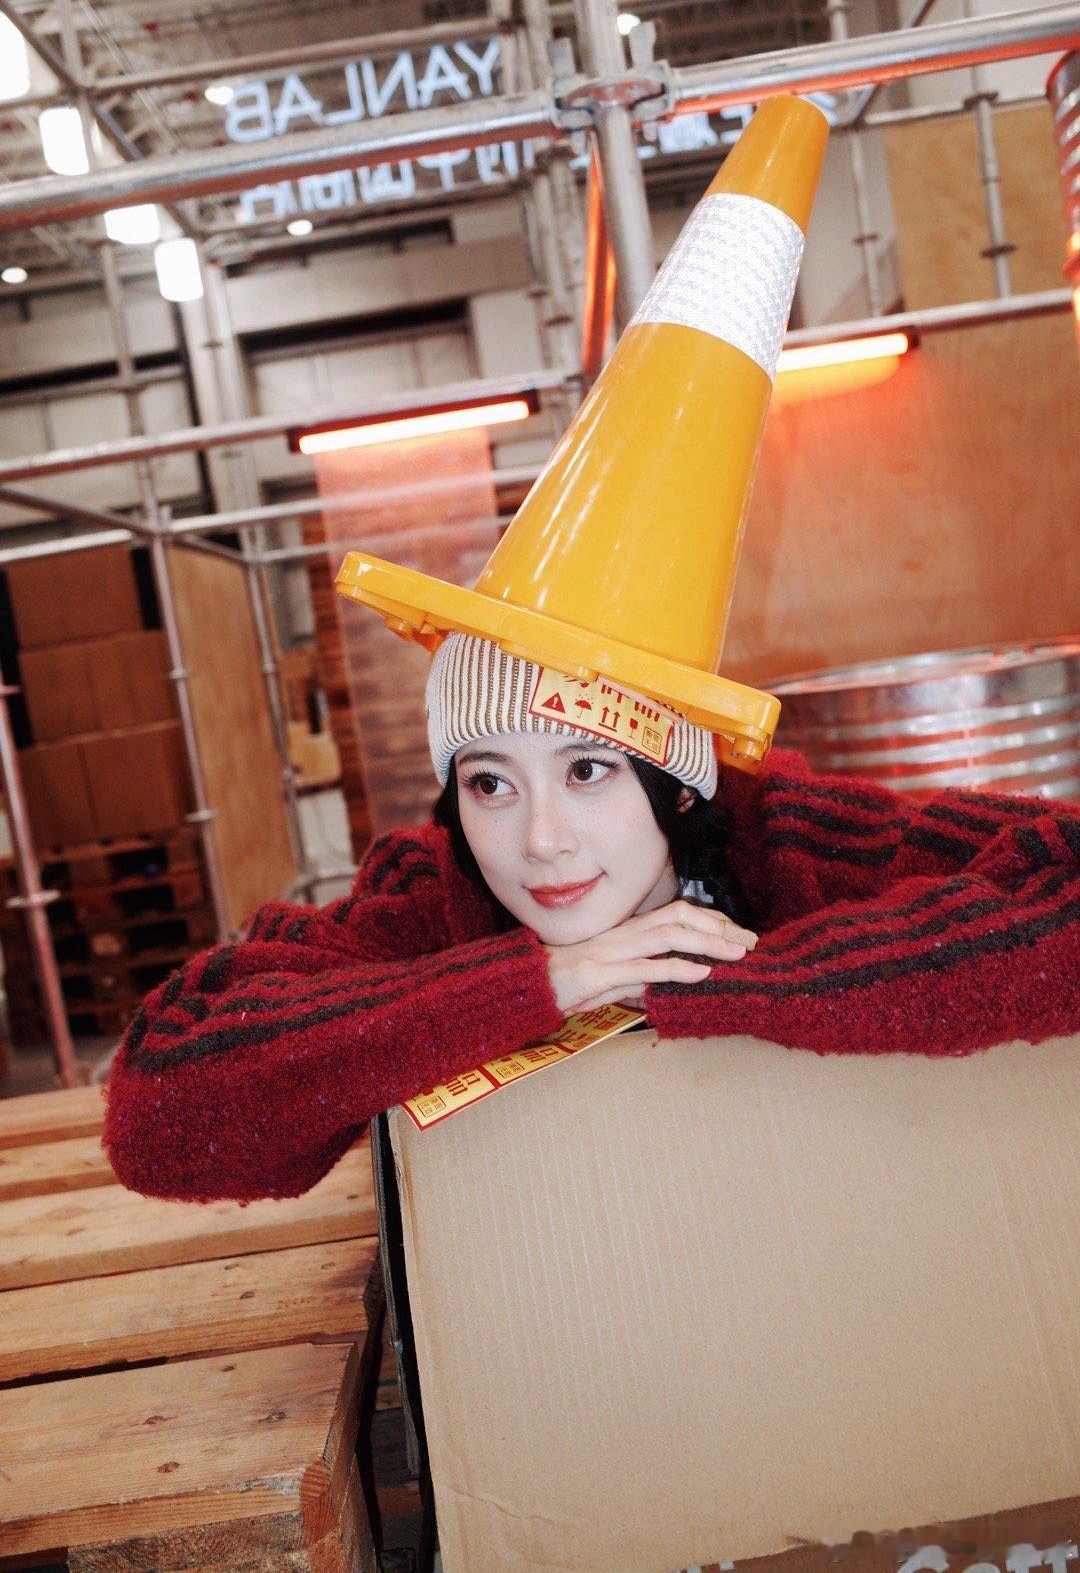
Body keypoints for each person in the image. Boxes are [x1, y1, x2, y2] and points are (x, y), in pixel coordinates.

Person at [101, 96, 1080, 1207]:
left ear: (676, 781)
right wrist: (543, 981)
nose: (541, 840)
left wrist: (720, 982)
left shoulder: (793, 838)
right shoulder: (433, 897)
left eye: (587, 767)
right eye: (489, 781)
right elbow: (162, 1109)